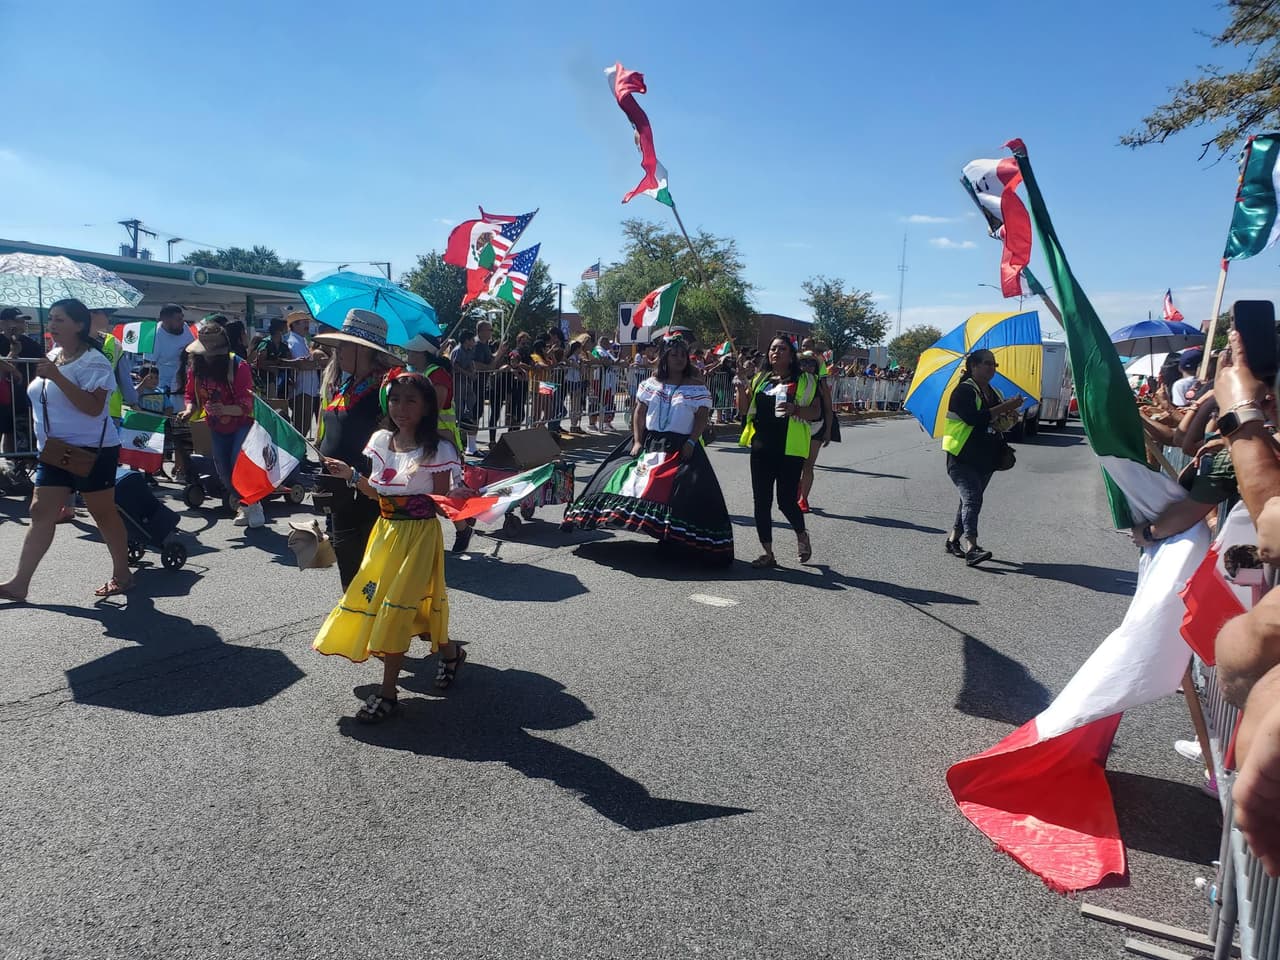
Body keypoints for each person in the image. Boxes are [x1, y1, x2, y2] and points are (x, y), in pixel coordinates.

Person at [313, 370, 470, 722]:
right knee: (396, 604)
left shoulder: (439, 448)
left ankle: (388, 693)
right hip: (384, 534)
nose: (401, 407)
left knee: (396, 610)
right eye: (395, 399)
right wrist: (350, 475)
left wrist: (462, 498)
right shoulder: (382, 440)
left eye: (411, 400)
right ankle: (451, 654)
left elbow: (441, 497)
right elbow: (377, 489)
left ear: (428, 405)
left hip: (419, 536)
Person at [0, 298, 133, 602]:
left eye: (59, 320)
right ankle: (19, 583)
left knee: (102, 513)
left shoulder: (95, 361)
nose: (52, 325)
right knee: (40, 511)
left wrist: (57, 377)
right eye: (51, 319)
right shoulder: (55, 354)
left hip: (91, 449)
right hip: (54, 449)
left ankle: (122, 575)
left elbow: (92, 407)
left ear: (79, 325)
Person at [566, 334, 733, 565]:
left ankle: (675, 539)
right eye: (673, 354)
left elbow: (701, 417)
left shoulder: (696, 388)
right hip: (651, 442)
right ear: (664, 357)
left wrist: (692, 442)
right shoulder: (650, 385)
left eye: (682, 355)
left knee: (681, 492)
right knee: (623, 478)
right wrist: (637, 441)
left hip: (680, 445)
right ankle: (643, 526)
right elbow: (639, 413)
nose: (678, 359)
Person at [312, 309, 399, 589]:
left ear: (364, 350)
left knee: (369, 575)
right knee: (350, 572)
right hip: (340, 496)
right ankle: (358, 625)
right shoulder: (345, 384)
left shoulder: (386, 390)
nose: (337, 351)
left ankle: (371, 627)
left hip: (367, 496)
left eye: (344, 345)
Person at [736, 336, 819, 568]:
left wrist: (796, 409)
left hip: (790, 449)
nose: (776, 352)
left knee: (785, 501)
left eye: (782, 349)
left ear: (791, 355)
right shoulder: (760, 379)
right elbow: (744, 409)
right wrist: (742, 384)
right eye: (772, 349)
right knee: (761, 501)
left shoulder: (806, 380)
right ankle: (768, 553)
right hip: (761, 447)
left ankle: (801, 534)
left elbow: (816, 411)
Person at [941, 350, 1024, 566]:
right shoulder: (963, 391)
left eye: (994, 364)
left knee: (969, 501)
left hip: (986, 457)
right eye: (987, 363)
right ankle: (972, 548)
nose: (992, 367)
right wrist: (1005, 407)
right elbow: (974, 419)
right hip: (961, 456)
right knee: (972, 499)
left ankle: (952, 541)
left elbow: (996, 421)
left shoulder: (993, 391)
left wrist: (1011, 416)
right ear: (973, 366)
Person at [178, 322, 262, 527]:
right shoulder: (195, 368)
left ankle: (255, 504)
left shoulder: (239, 366)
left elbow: (247, 403)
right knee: (224, 471)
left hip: (242, 423)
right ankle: (245, 504)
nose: (206, 356)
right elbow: (191, 394)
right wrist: (189, 410)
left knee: (238, 464)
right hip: (216, 426)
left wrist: (224, 409)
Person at [404, 333, 475, 553]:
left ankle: (463, 527)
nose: (407, 354)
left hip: (440, 443)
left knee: (440, 496)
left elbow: (435, 404)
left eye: (411, 350)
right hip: (420, 439)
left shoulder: (437, 374)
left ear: (422, 353)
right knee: (415, 490)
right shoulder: (417, 374)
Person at [797, 350, 839, 513]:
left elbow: (828, 409)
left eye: (811, 363)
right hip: (797, 426)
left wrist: (828, 431)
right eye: (804, 363)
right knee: (795, 464)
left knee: (808, 465)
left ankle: (804, 499)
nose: (807, 366)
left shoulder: (821, 385)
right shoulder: (793, 381)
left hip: (816, 426)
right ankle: (798, 487)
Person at [0, 307, 43, 459]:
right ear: (3, 323)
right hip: (2, 397)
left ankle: (12, 470)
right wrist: (13, 353)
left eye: (23, 321)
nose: (21, 325)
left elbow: (42, 365)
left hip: (22, 398)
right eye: (16, 321)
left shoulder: (32, 344)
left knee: (14, 433)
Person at [284, 310, 323, 437]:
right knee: (301, 424)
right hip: (301, 389)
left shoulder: (301, 340)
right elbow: (301, 364)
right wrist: (319, 364)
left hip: (307, 388)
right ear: (294, 325)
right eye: (303, 322)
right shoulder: (294, 342)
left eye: (307, 322)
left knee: (304, 424)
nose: (307, 325)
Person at [450, 328, 481, 455]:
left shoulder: (469, 350)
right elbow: (455, 365)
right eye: (472, 340)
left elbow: (470, 362)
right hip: (457, 380)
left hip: (466, 380)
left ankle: (466, 415)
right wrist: (467, 373)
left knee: (471, 397)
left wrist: (472, 371)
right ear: (466, 340)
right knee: (458, 401)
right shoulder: (458, 351)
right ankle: (459, 418)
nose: (474, 342)